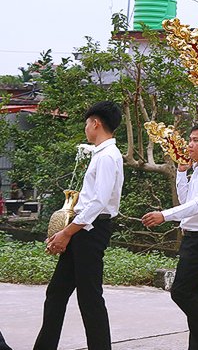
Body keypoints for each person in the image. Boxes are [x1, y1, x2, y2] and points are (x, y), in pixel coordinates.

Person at [35, 101, 124, 350]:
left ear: (95, 123)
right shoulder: (101, 154)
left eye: (86, 123)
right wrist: (67, 231)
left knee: (90, 298)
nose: (85, 128)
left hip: (91, 231)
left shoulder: (108, 156)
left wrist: (66, 232)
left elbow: (98, 202)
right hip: (82, 230)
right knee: (56, 293)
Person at [141, 123, 198, 350]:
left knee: (180, 292)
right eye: (190, 140)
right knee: (194, 296)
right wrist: (181, 173)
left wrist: (164, 215)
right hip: (191, 238)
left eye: (195, 140)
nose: (189, 145)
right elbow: (186, 200)